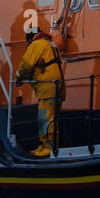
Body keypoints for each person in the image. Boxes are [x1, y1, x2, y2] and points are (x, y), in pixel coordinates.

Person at [16, 26, 65, 157]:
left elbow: (26, 64)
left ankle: (48, 147)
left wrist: (18, 77)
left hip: (47, 86)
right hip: (58, 84)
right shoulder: (51, 44)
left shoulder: (37, 44)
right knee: (52, 118)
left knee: (45, 117)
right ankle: (47, 145)